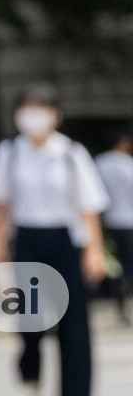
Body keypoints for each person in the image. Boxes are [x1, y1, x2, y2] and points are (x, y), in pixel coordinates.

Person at [0, 83, 109, 396]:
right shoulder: (10, 152)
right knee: (30, 318)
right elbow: (3, 203)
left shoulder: (71, 153)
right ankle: (30, 365)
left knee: (74, 325)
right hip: (27, 239)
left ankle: (76, 389)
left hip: (66, 242)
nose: (33, 117)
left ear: (56, 116)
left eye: (41, 109)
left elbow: (89, 207)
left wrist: (95, 251)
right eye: (27, 109)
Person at [98, 130, 133, 328]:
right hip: (128, 222)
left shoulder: (100, 163)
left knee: (114, 267)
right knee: (127, 267)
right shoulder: (128, 165)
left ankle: (120, 307)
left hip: (107, 223)